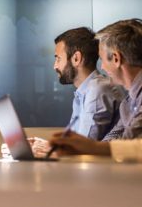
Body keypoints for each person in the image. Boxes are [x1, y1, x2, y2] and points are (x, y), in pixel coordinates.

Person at [50, 18, 142, 160]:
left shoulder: (100, 89)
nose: (103, 67)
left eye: (103, 60)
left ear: (116, 59)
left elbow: (129, 147)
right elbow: (122, 144)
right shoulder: (129, 101)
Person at [30, 27, 125, 157]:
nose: (55, 66)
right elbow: (75, 144)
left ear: (76, 58)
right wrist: (46, 146)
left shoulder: (97, 90)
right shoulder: (84, 92)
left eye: (58, 58)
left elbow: (82, 149)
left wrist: (46, 150)